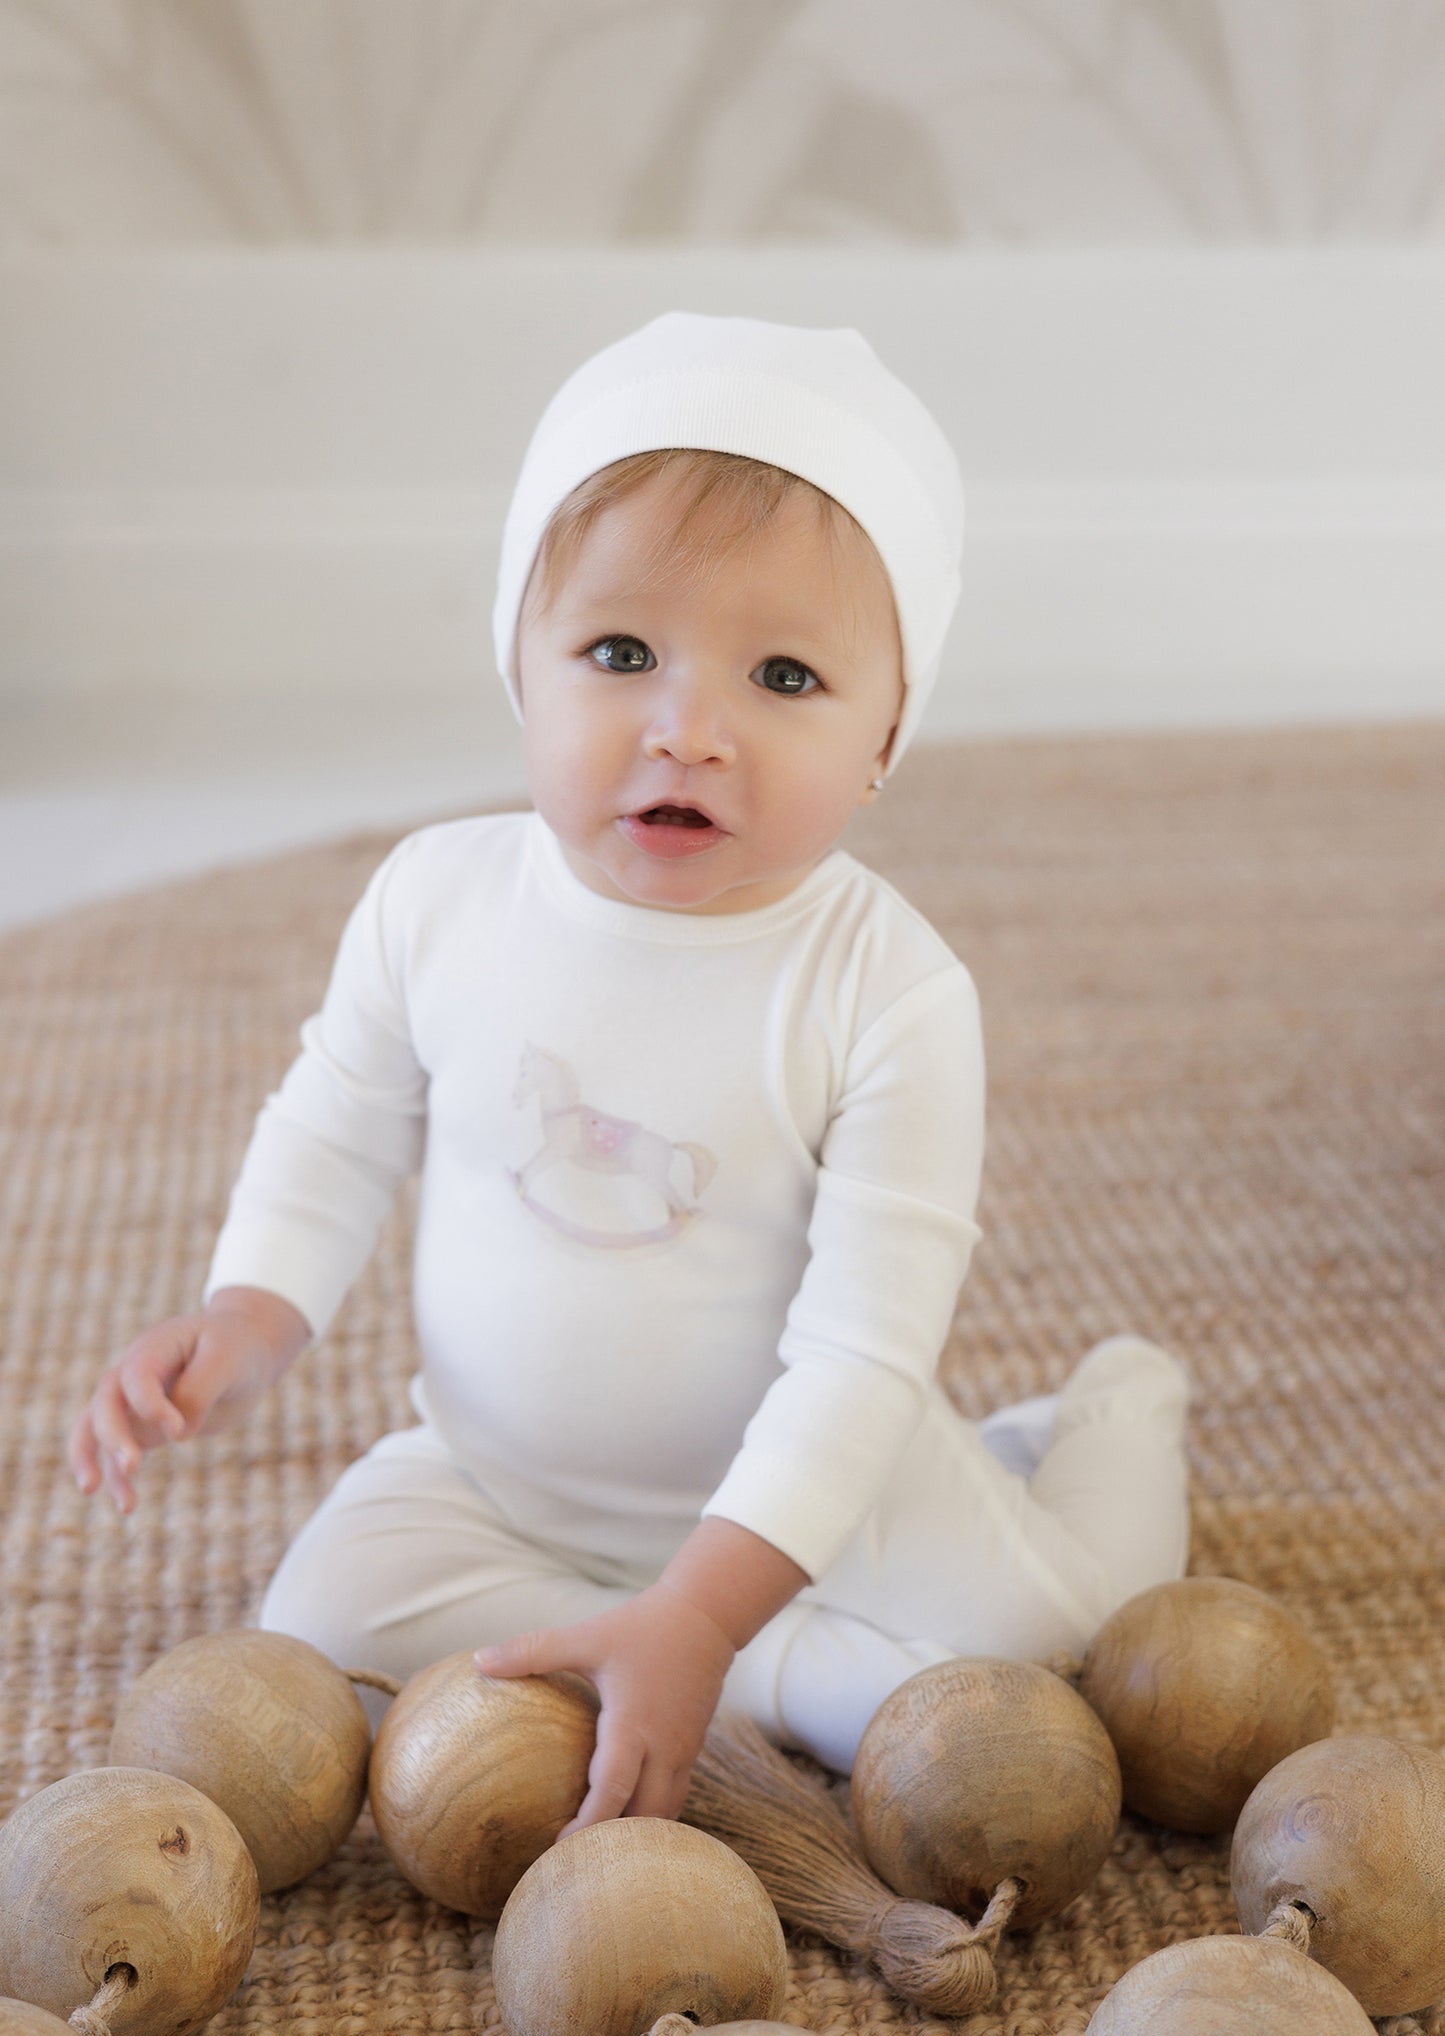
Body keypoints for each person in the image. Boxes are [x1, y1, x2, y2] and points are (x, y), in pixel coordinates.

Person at [68, 312, 1190, 1833]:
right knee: (323, 1617)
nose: (687, 730)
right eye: (618, 653)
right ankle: (763, 1676)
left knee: (1061, 1652)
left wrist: (714, 1597)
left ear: (884, 738)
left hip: (811, 1498)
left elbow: (862, 1355)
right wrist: (250, 1308)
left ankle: (1103, 1422)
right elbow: (335, 1123)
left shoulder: (886, 987)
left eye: (785, 676)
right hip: (499, 1479)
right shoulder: (435, 902)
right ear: (519, 667)